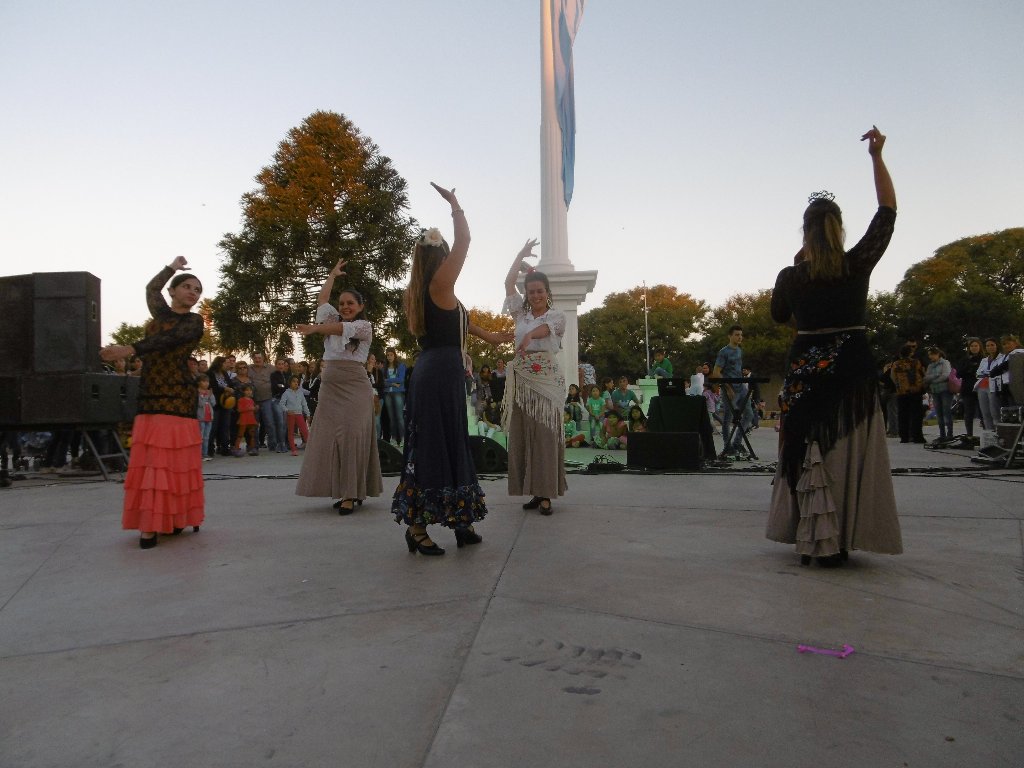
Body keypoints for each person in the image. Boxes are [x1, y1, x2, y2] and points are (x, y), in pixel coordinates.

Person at [766, 125, 903, 566]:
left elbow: (778, 315)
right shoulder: (856, 264)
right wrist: (876, 158)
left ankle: (809, 535)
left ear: (805, 233)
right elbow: (887, 212)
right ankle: (841, 536)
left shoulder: (791, 276)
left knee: (806, 448)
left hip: (806, 371)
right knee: (847, 452)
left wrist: (796, 263)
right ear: (839, 228)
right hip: (853, 371)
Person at [391, 183, 510, 554]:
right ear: (439, 258)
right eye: (445, 255)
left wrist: (493, 336)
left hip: (440, 370)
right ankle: (417, 528)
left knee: (450, 443)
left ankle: (460, 521)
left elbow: (462, 326)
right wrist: (455, 204)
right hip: (439, 373)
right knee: (434, 447)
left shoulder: (437, 293)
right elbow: (466, 241)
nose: (450, 260)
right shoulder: (440, 283)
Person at [99, 256, 205, 549]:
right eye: (187, 287)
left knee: (172, 464)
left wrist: (130, 348)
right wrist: (171, 267)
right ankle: (151, 524)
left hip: (178, 395)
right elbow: (151, 288)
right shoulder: (159, 313)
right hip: (150, 392)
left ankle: (173, 518)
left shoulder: (194, 322)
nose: (193, 293)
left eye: (197, 290)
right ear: (172, 291)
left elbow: (169, 340)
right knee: (151, 463)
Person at [295, 262, 382, 515]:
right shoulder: (331, 319)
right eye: (342, 303)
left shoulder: (364, 327)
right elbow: (323, 298)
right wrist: (331, 275)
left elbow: (342, 329)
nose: (345, 307)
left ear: (360, 307)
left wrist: (314, 329)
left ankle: (351, 493)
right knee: (331, 439)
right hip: (330, 389)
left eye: (350, 304)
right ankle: (344, 490)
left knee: (352, 437)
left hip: (355, 387)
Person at [502, 239, 568, 516]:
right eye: (531, 291)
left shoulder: (557, 316)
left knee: (545, 434)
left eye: (540, 291)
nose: (536, 295)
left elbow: (546, 332)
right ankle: (532, 489)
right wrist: (519, 255)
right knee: (524, 434)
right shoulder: (521, 314)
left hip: (546, 380)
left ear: (547, 292)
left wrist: (530, 334)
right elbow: (508, 284)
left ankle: (546, 494)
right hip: (522, 379)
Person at [712, 325, 753, 456]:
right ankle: (727, 445)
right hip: (729, 388)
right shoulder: (724, 352)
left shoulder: (739, 350)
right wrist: (727, 387)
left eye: (741, 335)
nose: (740, 337)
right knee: (728, 418)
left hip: (741, 387)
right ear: (730, 336)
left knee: (749, 414)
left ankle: (737, 442)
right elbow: (716, 372)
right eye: (736, 335)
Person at [891, 344, 926, 443]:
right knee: (916, 415)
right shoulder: (916, 362)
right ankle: (917, 436)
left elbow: (893, 376)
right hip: (915, 390)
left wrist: (898, 385)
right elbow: (922, 374)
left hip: (902, 392)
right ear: (911, 353)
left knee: (903, 415)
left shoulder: (896, 364)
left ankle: (904, 437)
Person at [923, 347, 953, 440]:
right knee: (938, 413)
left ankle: (950, 434)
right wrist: (936, 376)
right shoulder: (930, 366)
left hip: (945, 390)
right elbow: (926, 377)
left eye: (931, 354)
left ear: (937, 354)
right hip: (935, 391)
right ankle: (942, 434)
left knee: (946, 411)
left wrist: (933, 380)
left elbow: (945, 375)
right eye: (929, 355)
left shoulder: (945, 363)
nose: (930, 356)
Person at [956, 338, 984, 437]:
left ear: (980, 347)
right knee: (968, 413)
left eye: (976, 346)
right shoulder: (965, 359)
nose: (974, 348)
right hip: (968, 389)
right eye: (972, 346)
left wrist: (972, 371)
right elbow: (958, 374)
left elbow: (981, 373)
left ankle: (986, 434)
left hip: (981, 388)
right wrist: (969, 368)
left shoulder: (984, 359)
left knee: (983, 413)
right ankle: (969, 435)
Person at [280, 375, 311, 455]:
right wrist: (287, 410)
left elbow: (304, 404)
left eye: (297, 382)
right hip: (291, 415)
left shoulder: (300, 393)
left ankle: (310, 448)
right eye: (294, 381)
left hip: (299, 414)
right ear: (290, 383)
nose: (296, 383)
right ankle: (293, 449)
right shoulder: (286, 393)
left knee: (305, 431)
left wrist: (307, 414)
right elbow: (282, 404)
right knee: (291, 432)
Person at [975, 337, 1001, 430]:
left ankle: (998, 433)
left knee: (994, 412)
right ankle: (989, 434)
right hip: (982, 386)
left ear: (997, 346)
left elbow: (997, 372)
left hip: (993, 386)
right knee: (985, 412)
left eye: (992, 345)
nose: (990, 347)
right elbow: (978, 373)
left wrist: (988, 373)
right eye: (987, 346)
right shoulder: (984, 360)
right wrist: (986, 373)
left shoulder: (1001, 358)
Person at [383, 348, 407, 447]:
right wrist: (393, 383)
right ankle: (393, 439)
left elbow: (401, 380)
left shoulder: (401, 366)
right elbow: (383, 382)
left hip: (398, 393)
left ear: (394, 355)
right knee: (392, 418)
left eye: (391, 355)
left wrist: (388, 381)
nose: (389, 357)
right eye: (388, 355)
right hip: (388, 393)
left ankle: (402, 439)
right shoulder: (384, 368)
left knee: (399, 417)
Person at [233, 385, 258, 456]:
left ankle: (252, 448)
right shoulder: (241, 400)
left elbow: (253, 410)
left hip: (251, 419)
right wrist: (250, 408)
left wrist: (255, 408)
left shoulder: (252, 400)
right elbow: (239, 410)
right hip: (243, 419)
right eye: (247, 390)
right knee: (240, 434)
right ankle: (236, 448)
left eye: (250, 390)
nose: (249, 392)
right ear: (243, 392)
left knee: (252, 434)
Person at [196, 376, 216, 461]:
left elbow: (213, 403)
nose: (206, 383)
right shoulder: (197, 392)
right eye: (203, 381)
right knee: (200, 436)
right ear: (199, 383)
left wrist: (210, 396)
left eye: (207, 382)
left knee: (207, 437)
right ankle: (199, 454)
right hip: (201, 417)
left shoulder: (209, 392)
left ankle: (205, 453)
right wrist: (206, 396)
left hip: (209, 417)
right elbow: (200, 404)